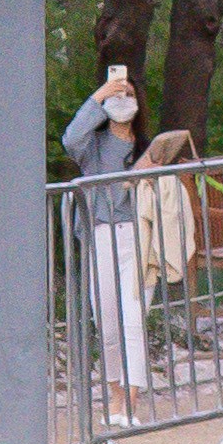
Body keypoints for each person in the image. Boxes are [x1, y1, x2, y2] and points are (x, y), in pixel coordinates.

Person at [63, 56, 152, 400]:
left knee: (133, 317)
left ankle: (130, 395)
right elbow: (71, 139)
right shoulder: (93, 148)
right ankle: (114, 390)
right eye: (116, 94)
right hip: (100, 234)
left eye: (127, 93)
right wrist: (101, 94)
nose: (121, 99)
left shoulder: (146, 146)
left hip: (138, 236)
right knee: (107, 319)